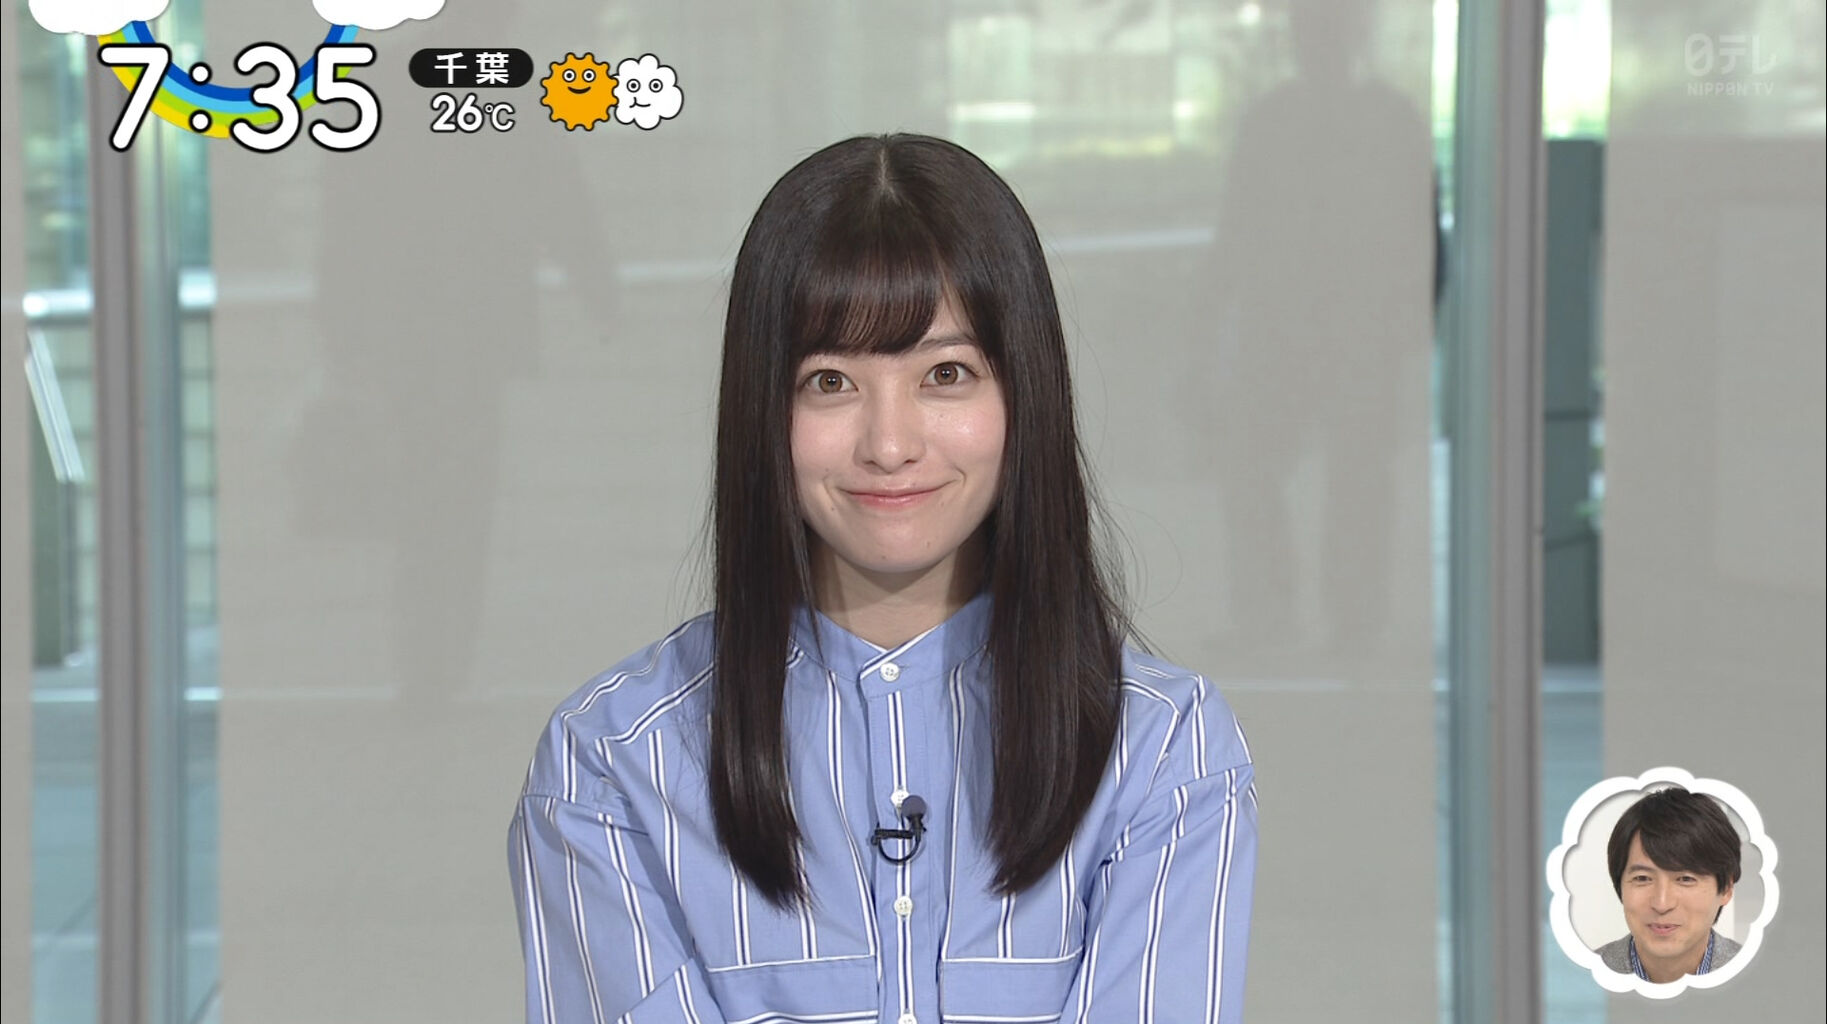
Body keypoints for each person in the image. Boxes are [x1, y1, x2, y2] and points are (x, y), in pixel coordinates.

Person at [507, 133, 1257, 1024]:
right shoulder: (612, 761)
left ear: (1024, 394)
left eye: (945, 374)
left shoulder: (1165, 754)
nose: (890, 444)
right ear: (761, 408)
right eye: (829, 381)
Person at [1593, 786, 1743, 982]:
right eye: (1642, 878)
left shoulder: (1763, 978)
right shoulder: (1583, 976)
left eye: (1685, 879)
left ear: (1726, 889)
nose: (1662, 904)